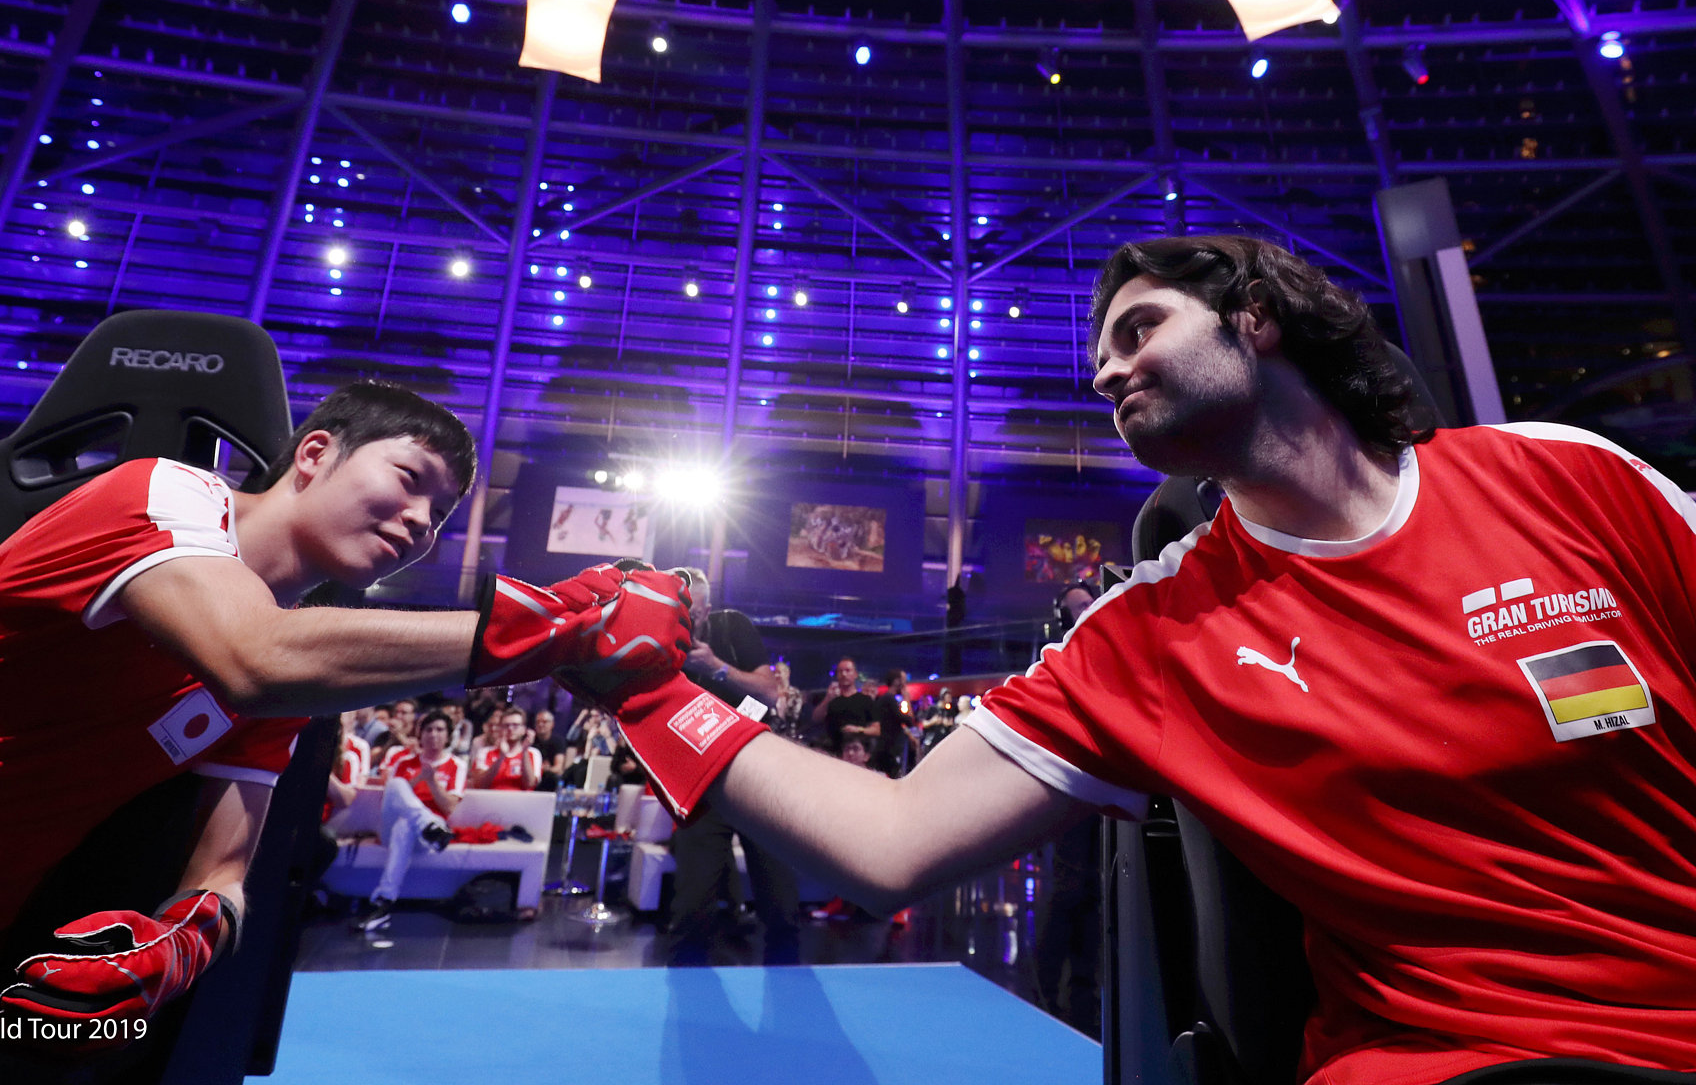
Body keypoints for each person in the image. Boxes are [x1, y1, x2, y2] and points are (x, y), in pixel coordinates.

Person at [557, 234, 1696, 1085]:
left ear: (1256, 316)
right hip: (1459, 1061)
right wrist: (646, 687)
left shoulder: (1564, 474)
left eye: (1137, 330)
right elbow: (892, 841)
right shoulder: (1155, 630)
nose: (1104, 375)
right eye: (1099, 358)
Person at [0, 379, 695, 1081]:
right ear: (316, 454)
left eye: (443, 514)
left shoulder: (292, 679)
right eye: (410, 481)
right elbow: (253, 655)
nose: (421, 524)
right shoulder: (165, 496)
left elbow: (221, 879)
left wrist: (177, 946)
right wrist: (562, 629)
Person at [658, 565, 803, 967]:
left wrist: (715, 667)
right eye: (679, 613)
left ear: (707, 609)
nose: (689, 622)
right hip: (703, 783)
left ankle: (790, 991)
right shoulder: (660, 645)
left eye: (695, 613)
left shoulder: (732, 627)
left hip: (756, 775)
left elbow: (770, 693)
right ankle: (687, 996)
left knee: (781, 905)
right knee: (691, 911)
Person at [355, 710, 465, 932]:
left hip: (423, 833)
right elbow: (391, 799)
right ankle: (428, 827)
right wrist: (419, 777)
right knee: (396, 785)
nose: (433, 734)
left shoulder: (457, 765)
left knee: (404, 826)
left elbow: (449, 807)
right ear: (420, 734)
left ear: (448, 736)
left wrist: (432, 781)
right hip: (411, 828)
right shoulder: (404, 762)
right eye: (429, 730)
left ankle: (384, 902)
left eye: (439, 730)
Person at [807, 656, 877, 753]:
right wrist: (828, 699)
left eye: (848, 671)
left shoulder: (865, 700)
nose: (844, 674)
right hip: (831, 749)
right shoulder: (831, 698)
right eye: (840, 671)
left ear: (855, 674)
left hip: (854, 751)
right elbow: (816, 718)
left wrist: (858, 730)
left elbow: (876, 729)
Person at [470, 705, 542, 791]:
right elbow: (480, 785)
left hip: (520, 799)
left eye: (515, 725)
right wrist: (501, 757)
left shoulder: (533, 753)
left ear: (523, 729)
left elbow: (529, 784)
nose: (510, 729)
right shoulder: (485, 752)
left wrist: (524, 751)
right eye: (506, 725)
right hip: (492, 798)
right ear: (500, 728)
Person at [531, 707, 568, 788]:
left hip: (549, 776)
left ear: (552, 724)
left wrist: (546, 769)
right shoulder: (530, 741)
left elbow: (558, 768)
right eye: (538, 722)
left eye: (544, 722)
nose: (540, 724)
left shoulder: (558, 741)